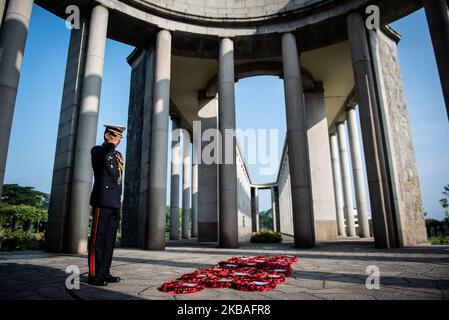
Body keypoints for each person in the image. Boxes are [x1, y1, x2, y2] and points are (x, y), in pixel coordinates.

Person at [87, 124, 126, 286]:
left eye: (119, 138)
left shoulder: (117, 155)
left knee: (110, 240)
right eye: (115, 136)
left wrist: (119, 201)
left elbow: (117, 180)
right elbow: (102, 158)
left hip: (114, 202)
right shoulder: (98, 151)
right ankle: (95, 274)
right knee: (98, 238)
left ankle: (105, 272)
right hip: (102, 200)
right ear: (107, 136)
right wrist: (109, 144)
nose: (118, 140)